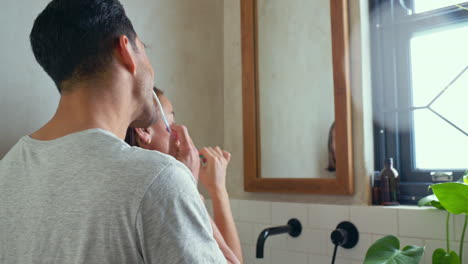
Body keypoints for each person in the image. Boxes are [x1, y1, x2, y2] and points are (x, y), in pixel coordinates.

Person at [0, 0, 237, 263]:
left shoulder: (6, 172)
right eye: (144, 49)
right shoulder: (158, 179)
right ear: (126, 50)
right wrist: (185, 190)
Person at [125, 87, 243, 263]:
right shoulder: (164, 193)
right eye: (171, 124)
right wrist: (213, 190)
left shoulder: (129, 183)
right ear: (143, 131)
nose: (179, 136)